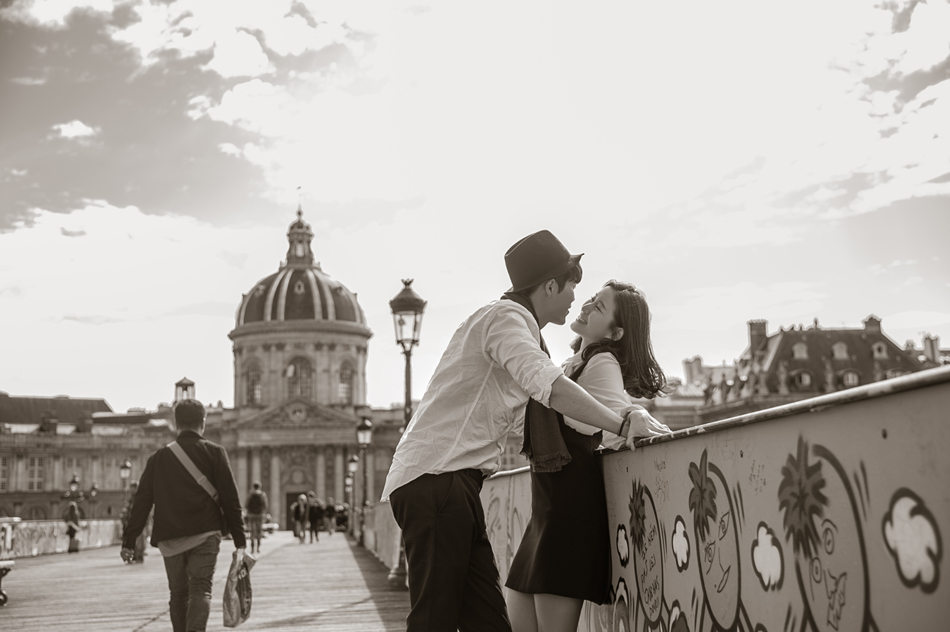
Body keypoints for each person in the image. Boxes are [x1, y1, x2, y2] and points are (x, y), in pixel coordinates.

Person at [380, 230, 671, 632]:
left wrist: (628, 412)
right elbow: (549, 387)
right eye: (572, 287)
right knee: (435, 620)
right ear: (550, 286)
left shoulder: (505, 322)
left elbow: (532, 416)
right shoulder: (507, 320)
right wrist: (623, 422)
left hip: (451, 483)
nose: (575, 298)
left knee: (487, 622)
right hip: (438, 480)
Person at [505, 280, 669, 632]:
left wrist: (635, 414)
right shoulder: (571, 364)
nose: (587, 305)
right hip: (546, 513)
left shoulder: (602, 361)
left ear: (616, 332)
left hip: (568, 516)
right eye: (592, 299)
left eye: (599, 307)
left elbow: (615, 413)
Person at [120, 399, 246, 632]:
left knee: (178, 594)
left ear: (175, 423)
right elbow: (231, 500)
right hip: (206, 532)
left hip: (171, 536)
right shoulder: (215, 452)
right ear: (203, 422)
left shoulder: (158, 458)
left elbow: (142, 502)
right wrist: (240, 540)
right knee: (201, 588)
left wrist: (129, 540)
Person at [121, 480, 149, 562]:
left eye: (133, 488)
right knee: (136, 540)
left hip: (140, 522)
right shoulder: (132, 498)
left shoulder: (140, 497)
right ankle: (135, 556)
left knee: (140, 541)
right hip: (134, 521)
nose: (132, 490)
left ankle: (139, 556)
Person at [245, 480, 268, 554]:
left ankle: (252, 548)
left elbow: (246, 505)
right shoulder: (262, 494)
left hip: (252, 515)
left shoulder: (250, 495)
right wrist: (264, 513)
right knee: (259, 531)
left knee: (252, 532)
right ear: (260, 487)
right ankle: (258, 547)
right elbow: (265, 505)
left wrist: (248, 513)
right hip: (259, 515)